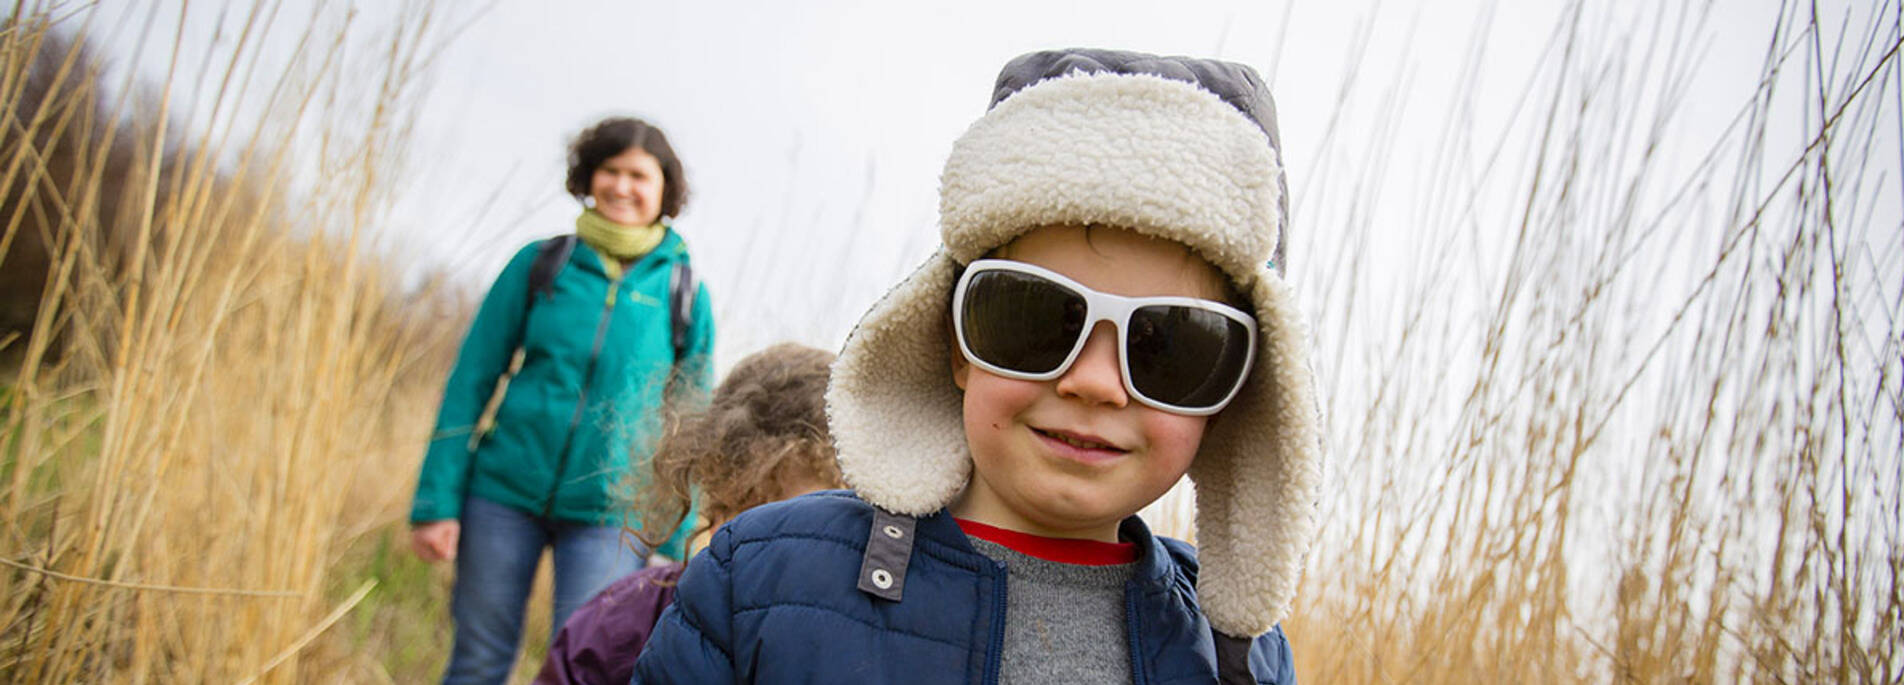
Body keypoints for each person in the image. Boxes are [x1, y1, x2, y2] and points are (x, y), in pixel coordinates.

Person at [633, 48, 1323, 684]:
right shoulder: (759, 576)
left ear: (1235, 389)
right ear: (953, 340)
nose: (1092, 380)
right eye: (1033, 318)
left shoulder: (1243, 652)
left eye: (1170, 347)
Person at [408, 115, 715, 684]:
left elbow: (691, 426)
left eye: (638, 176)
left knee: (584, 670)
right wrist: (437, 501)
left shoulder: (685, 295)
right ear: (588, 176)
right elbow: (471, 379)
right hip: (501, 498)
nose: (622, 187)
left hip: (610, 518)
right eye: (610, 170)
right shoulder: (540, 264)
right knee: (477, 660)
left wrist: (677, 539)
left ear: (664, 189)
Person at [533, 342, 843, 685]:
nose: (765, 546)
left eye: (809, 527)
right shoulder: (624, 622)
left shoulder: (870, 651)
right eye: (746, 513)